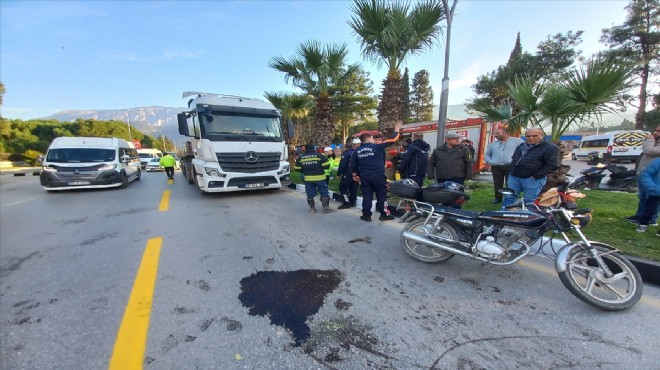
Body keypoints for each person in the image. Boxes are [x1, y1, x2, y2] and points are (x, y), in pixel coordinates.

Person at [350, 121, 403, 222]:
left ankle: (366, 216)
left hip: (365, 176)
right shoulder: (377, 147)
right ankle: (383, 215)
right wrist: (396, 129)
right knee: (381, 195)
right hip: (378, 176)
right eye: (372, 138)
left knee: (367, 196)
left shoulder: (356, 151)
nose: (374, 140)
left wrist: (355, 176)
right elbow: (393, 139)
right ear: (369, 139)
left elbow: (352, 165)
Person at [503, 128, 559, 207]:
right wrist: (511, 171)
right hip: (514, 176)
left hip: (532, 179)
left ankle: (530, 216)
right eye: (528, 136)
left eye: (534, 136)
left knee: (530, 200)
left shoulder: (550, 148)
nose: (531, 138)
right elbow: (514, 160)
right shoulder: (521, 146)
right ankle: (505, 214)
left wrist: (536, 176)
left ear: (542, 135)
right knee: (509, 196)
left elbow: (552, 165)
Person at [624, 126, 660, 226]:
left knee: (653, 199)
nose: (655, 132)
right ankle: (639, 215)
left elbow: (649, 151)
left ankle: (651, 219)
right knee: (643, 197)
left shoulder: (652, 142)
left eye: (658, 131)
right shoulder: (655, 142)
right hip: (644, 174)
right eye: (656, 130)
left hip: (654, 177)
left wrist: (649, 140)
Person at [484, 127, 524, 204]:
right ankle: (498, 198)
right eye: (494, 134)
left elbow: (524, 152)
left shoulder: (518, 141)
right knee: (497, 183)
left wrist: (518, 162)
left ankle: (510, 198)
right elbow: (487, 154)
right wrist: (491, 161)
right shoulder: (493, 144)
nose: (495, 135)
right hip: (496, 167)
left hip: (511, 166)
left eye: (497, 133)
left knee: (511, 183)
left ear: (505, 133)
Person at [294, 144, 333, 213]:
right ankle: (326, 207)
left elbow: (297, 168)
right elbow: (327, 165)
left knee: (310, 193)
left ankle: (312, 208)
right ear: (314, 148)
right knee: (324, 192)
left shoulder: (301, 157)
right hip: (320, 178)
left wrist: (304, 170)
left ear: (305, 149)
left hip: (308, 179)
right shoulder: (319, 156)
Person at [635, 158, 660, 234]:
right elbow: (645, 174)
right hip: (657, 191)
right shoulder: (658, 162)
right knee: (650, 209)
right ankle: (643, 223)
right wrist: (653, 188)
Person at [336, 141, 358, 209]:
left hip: (348, 174)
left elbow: (342, 165)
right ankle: (353, 202)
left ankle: (346, 202)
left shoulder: (346, 154)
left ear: (345, 147)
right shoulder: (356, 153)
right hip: (356, 174)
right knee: (353, 188)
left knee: (342, 187)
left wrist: (338, 174)